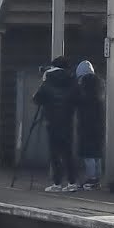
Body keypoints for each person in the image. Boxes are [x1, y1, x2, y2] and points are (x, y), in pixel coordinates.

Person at [33, 56, 79, 192]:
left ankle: (57, 184)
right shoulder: (72, 80)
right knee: (68, 153)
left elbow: (36, 99)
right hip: (68, 122)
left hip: (52, 122)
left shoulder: (49, 80)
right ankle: (72, 183)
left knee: (54, 154)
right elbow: (78, 99)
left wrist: (44, 81)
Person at [75, 60, 104, 191]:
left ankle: (91, 178)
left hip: (86, 123)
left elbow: (79, 102)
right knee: (96, 153)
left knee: (88, 153)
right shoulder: (99, 85)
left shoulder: (83, 88)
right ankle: (97, 178)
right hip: (99, 123)